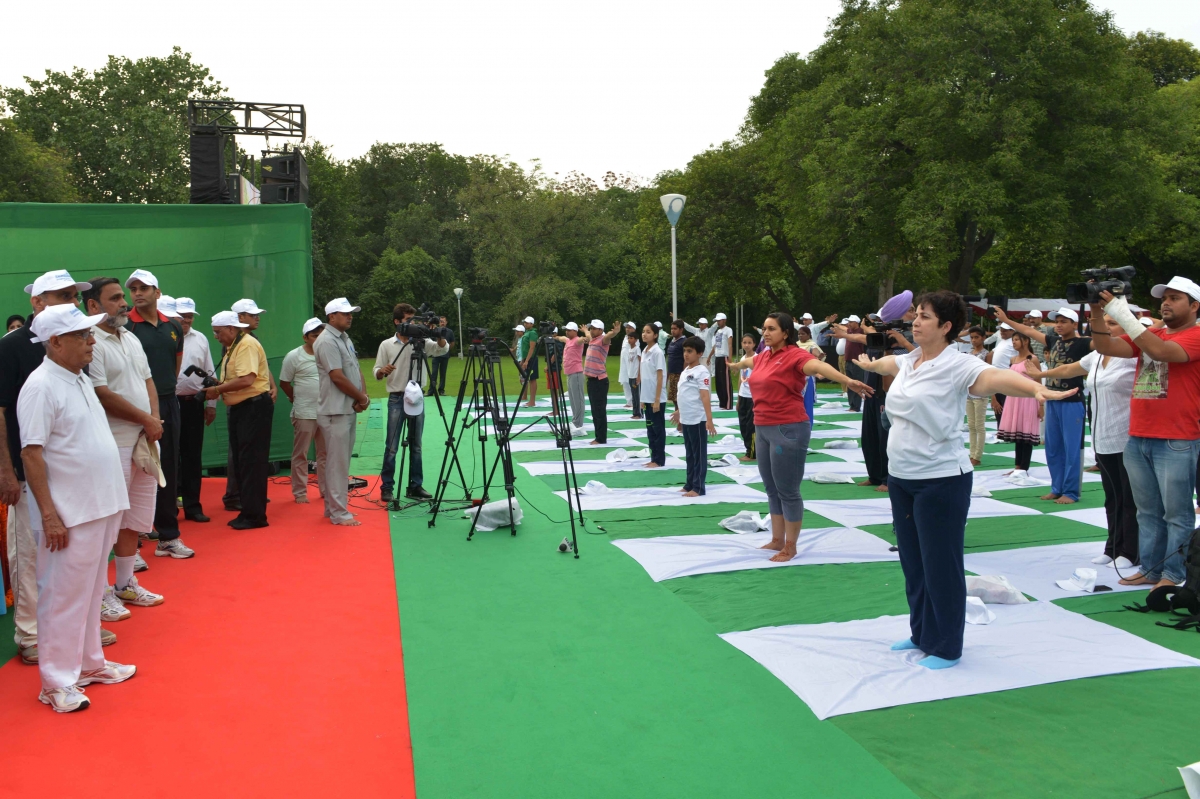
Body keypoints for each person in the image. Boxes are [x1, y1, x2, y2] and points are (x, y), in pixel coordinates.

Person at [855, 291, 1075, 669]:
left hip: (941, 480)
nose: (916, 321)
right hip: (902, 477)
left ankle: (945, 645)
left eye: (924, 316)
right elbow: (889, 362)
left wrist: (1035, 388)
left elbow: (994, 377)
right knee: (913, 562)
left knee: (941, 564)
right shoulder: (910, 361)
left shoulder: (959, 365)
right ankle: (922, 630)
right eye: (916, 315)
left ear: (946, 326)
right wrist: (869, 364)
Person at [19, 304, 136, 712]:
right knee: (63, 597)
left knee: (88, 594)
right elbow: (31, 454)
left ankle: (89, 665)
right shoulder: (39, 386)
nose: (91, 341)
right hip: (69, 514)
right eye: (82, 336)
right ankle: (56, 683)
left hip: (99, 505)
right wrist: (49, 514)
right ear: (55, 342)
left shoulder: (77, 378)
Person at [0, 270, 117, 667]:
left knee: (78, 583)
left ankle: (85, 657)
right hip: (37, 485)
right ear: (37, 304)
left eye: (73, 295)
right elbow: (13, 425)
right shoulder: (17, 354)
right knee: (39, 569)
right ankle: (36, 640)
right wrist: (7, 471)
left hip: (85, 498)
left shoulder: (76, 369)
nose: (71, 300)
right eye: (61, 295)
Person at [728, 313, 873, 563]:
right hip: (762, 428)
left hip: (789, 428)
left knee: (787, 490)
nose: (765, 333)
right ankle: (777, 539)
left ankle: (791, 546)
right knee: (771, 488)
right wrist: (734, 366)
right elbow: (747, 363)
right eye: (764, 328)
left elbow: (818, 366)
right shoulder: (763, 357)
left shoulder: (795, 356)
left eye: (771, 329)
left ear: (786, 333)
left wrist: (847, 380)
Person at [1087, 276, 1200, 589]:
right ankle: (1151, 569)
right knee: (1147, 511)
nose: (1166, 302)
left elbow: (1162, 352)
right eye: (1164, 297)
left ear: (1194, 306)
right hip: (1137, 436)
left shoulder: (1196, 335)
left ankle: (1173, 574)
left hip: (1177, 438)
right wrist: (1097, 310)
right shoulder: (1153, 333)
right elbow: (1104, 345)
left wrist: (1121, 312)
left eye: (1175, 298)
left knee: (1176, 513)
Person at [82, 278, 170, 624]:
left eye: (123, 297)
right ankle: (100, 594)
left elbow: (148, 381)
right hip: (112, 442)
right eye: (115, 298)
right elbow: (101, 393)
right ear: (92, 306)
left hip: (144, 440)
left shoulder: (130, 337)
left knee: (134, 518)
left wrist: (154, 421)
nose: (124, 303)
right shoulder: (91, 342)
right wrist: (147, 421)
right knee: (109, 520)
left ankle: (124, 584)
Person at [1027, 315, 1138, 568]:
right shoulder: (1098, 356)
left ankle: (1130, 551)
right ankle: (1112, 547)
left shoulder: (1134, 355)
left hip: (1128, 436)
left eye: (1112, 323)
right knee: (1111, 497)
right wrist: (1041, 375)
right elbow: (1069, 369)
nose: (1104, 328)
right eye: (1103, 323)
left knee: (1129, 498)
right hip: (1103, 437)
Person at [124, 269, 192, 553]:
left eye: (144, 288)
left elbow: (173, 367)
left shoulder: (173, 326)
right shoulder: (125, 325)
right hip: (132, 408)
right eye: (134, 288)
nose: (138, 293)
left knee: (168, 468)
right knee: (133, 470)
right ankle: (133, 543)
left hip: (167, 403)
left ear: (157, 292)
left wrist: (164, 399)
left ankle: (168, 536)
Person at [996, 306, 1091, 505]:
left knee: (1072, 449)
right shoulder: (1054, 341)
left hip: (1072, 401)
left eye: (1064, 321)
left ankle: (1071, 491)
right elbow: (1029, 331)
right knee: (1053, 448)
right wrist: (1007, 319)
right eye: (1057, 321)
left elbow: (1103, 344)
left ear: (1074, 324)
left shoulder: (1084, 343)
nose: (1059, 325)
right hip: (1053, 400)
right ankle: (1057, 487)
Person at [206, 310, 273, 530]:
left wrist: (217, 389)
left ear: (232, 329)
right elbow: (236, 378)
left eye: (218, 332)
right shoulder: (233, 347)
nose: (216, 337)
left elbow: (247, 379)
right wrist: (218, 384)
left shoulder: (246, 345)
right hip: (242, 408)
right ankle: (248, 510)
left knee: (252, 461)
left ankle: (255, 516)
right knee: (244, 461)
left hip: (252, 407)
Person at [375, 303, 448, 504]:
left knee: (416, 445)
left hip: (418, 398)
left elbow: (442, 349)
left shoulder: (422, 342)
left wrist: (437, 333)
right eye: (408, 321)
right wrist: (383, 371)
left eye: (414, 320)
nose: (412, 325)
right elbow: (376, 371)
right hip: (397, 397)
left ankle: (415, 486)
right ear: (397, 322)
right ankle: (387, 487)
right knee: (392, 446)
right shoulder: (387, 344)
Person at [222, 298, 278, 512]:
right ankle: (236, 494)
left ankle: (249, 495)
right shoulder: (235, 341)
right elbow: (244, 377)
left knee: (250, 453)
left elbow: (260, 370)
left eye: (257, 314)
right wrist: (219, 390)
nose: (257, 318)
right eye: (252, 314)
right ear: (239, 318)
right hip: (242, 403)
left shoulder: (248, 339)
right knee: (240, 453)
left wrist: (272, 386)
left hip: (252, 401)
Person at [174, 297, 217, 524]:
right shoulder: (166, 336)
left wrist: (210, 405)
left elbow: (210, 372)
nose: (187, 319)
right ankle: (169, 507)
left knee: (192, 456)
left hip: (193, 404)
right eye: (183, 315)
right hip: (168, 403)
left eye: (190, 316)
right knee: (169, 457)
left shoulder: (200, 338)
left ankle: (193, 507)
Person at [280, 318, 327, 504]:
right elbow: (284, 383)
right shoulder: (294, 356)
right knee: (301, 453)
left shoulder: (329, 353)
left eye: (322, 335)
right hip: (304, 413)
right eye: (315, 336)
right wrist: (295, 398)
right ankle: (300, 493)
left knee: (325, 454)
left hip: (326, 411)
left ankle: (326, 491)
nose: (319, 339)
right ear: (305, 337)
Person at [672, 336, 717, 496]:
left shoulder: (702, 372)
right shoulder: (686, 371)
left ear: (699, 353)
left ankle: (698, 487)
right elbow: (684, 394)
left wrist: (709, 419)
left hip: (698, 419)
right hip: (687, 418)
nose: (686, 354)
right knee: (690, 454)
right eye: (685, 351)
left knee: (699, 455)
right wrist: (679, 412)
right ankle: (689, 483)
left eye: (690, 351)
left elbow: (705, 396)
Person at [995, 332, 1043, 479]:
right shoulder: (1013, 359)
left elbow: (1038, 382)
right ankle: (1018, 466)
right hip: (1014, 398)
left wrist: (1041, 405)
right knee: (1018, 432)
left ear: (1026, 341)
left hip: (1028, 399)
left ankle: (1024, 467)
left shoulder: (1032, 359)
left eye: (1017, 340)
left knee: (1026, 433)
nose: (1014, 342)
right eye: (1013, 340)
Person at [584, 319, 621, 445]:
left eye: (594, 328)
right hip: (591, 380)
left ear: (600, 330)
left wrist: (615, 332)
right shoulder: (593, 339)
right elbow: (588, 335)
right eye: (591, 328)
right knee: (595, 410)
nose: (591, 330)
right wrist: (585, 330)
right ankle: (598, 436)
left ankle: (601, 438)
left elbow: (609, 336)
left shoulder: (603, 339)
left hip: (599, 380)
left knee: (599, 410)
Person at [639, 324, 667, 467]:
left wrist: (657, 400)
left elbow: (660, 377)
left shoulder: (657, 352)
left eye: (648, 332)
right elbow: (645, 377)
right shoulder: (644, 351)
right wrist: (643, 399)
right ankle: (653, 457)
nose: (645, 334)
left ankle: (659, 460)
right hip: (647, 397)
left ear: (655, 335)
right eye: (643, 332)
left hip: (657, 399)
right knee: (650, 429)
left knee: (658, 429)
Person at [557, 322, 587, 435]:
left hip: (576, 373)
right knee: (573, 399)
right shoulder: (568, 340)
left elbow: (584, 339)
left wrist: (585, 333)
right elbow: (562, 338)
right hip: (569, 373)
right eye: (566, 330)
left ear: (575, 331)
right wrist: (553, 337)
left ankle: (578, 424)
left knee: (578, 399)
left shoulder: (577, 340)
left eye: (569, 330)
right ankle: (575, 422)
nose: (567, 332)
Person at [965, 326, 989, 466]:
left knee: (979, 425)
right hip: (969, 392)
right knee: (971, 425)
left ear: (983, 338)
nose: (973, 340)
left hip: (981, 393)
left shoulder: (987, 354)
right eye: (972, 337)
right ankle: (972, 453)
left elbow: (989, 373)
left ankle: (977, 456)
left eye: (976, 337)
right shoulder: (969, 353)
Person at [735, 333, 757, 462]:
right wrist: (738, 398)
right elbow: (740, 379)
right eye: (744, 342)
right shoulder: (743, 358)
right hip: (743, 395)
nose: (747, 345)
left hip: (753, 397)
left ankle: (752, 453)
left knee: (751, 426)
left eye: (749, 342)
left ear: (754, 344)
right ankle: (748, 449)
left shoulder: (758, 358)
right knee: (743, 425)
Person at [710, 313, 734, 410]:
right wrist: (709, 356)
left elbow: (730, 345)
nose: (718, 322)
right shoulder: (718, 332)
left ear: (724, 320)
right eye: (717, 321)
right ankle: (722, 402)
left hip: (724, 357)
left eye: (719, 321)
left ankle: (728, 403)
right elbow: (715, 345)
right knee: (719, 381)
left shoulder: (728, 330)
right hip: (717, 357)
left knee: (725, 381)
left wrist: (730, 359)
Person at [428, 315, 454, 396]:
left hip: (445, 356)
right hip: (436, 355)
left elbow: (452, 342)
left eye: (443, 321)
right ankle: (431, 391)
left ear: (446, 322)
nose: (442, 323)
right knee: (434, 373)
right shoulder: (434, 330)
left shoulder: (450, 332)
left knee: (443, 373)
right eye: (441, 321)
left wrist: (447, 350)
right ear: (439, 322)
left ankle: (441, 390)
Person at [665, 320, 686, 413]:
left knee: (680, 398)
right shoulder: (672, 341)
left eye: (675, 329)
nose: (672, 331)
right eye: (671, 328)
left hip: (679, 373)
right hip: (672, 373)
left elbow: (686, 359)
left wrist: (684, 373)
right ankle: (679, 420)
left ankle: (681, 422)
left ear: (681, 329)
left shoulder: (684, 342)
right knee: (674, 398)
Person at [622, 327, 643, 419]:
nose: (629, 340)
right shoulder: (629, 349)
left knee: (637, 395)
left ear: (636, 340)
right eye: (628, 338)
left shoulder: (637, 349)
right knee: (633, 395)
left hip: (635, 375)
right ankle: (635, 413)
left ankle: (639, 413)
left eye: (631, 338)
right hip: (630, 375)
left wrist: (639, 375)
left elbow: (640, 362)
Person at [519, 315, 539, 408]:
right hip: (527, 358)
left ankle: (532, 401)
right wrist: (523, 360)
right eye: (525, 322)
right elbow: (524, 348)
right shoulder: (527, 332)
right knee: (528, 379)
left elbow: (532, 347)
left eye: (527, 323)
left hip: (532, 359)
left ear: (532, 324)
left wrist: (527, 360)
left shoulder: (533, 333)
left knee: (532, 379)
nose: (525, 324)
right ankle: (530, 400)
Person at [618, 322, 638, 409]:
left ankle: (635, 401)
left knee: (632, 383)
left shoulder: (635, 340)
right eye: (626, 327)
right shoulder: (625, 338)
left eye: (629, 327)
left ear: (634, 329)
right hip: (624, 365)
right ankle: (629, 401)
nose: (627, 329)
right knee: (625, 382)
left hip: (631, 365)